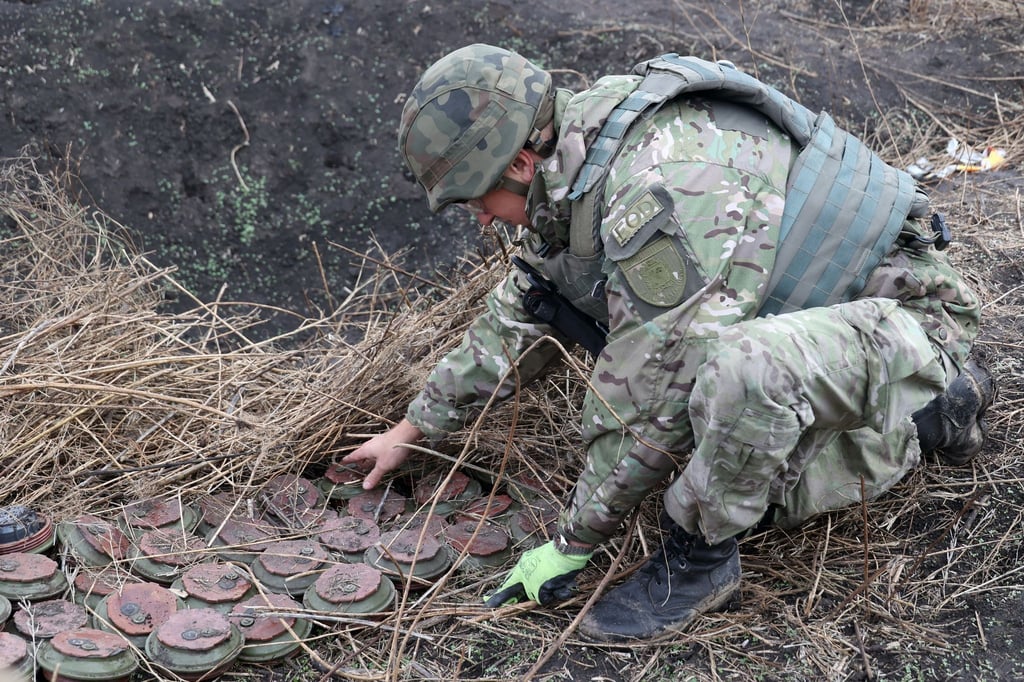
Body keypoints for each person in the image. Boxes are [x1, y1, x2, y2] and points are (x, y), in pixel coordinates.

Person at [343, 44, 995, 642]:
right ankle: (917, 413)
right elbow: (527, 303)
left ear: (517, 161)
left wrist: (571, 544)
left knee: (741, 390)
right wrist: (413, 429)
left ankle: (704, 558)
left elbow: (657, 389)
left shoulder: (659, 182)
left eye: (474, 198)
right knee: (722, 437)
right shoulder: (579, 157)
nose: (480, 218)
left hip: (904, 317)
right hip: (825, 318)